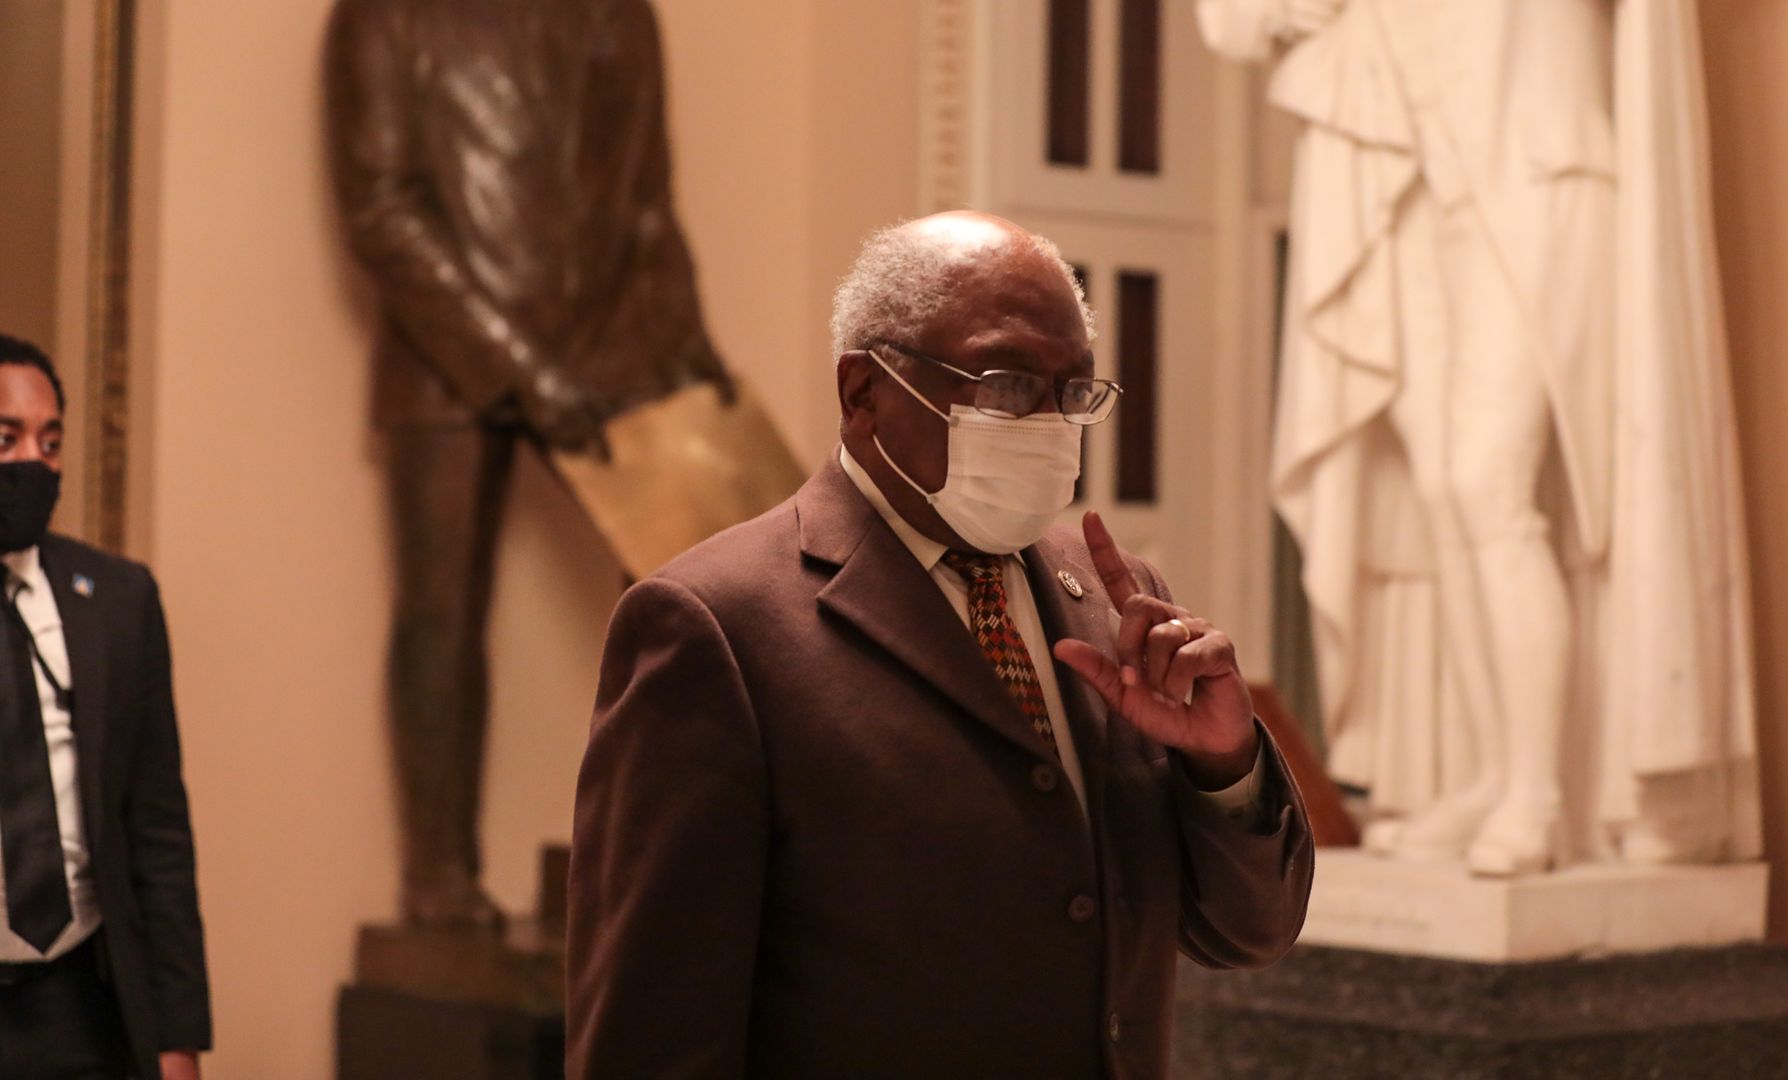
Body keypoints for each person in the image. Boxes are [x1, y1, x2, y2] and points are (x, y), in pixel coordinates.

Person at [567, 213, 1314, 1078]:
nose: (1046, 422)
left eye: (1073, 392)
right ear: (863, 391)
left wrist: (1224, 765)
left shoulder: (1117, 604)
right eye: (1003, 384)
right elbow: (649, 1040)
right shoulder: (716, 626)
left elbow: (1243, 931)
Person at [1198, 0, 1760, 873]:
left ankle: (1538, 791)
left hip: (1538, 166)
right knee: (1440, 497)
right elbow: (1235, 26)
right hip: (1409, 179)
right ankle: (1491, 768)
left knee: (1482, 484)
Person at [323, 0, 734, 925]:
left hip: (612, 344)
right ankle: (438, 879)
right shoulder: (384, 18)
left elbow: (646, 204)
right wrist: (517, 367)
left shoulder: (621, 16)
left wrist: (687, 340)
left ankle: (667, 850)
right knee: (440, 614)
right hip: (442, 360)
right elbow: (383, 212)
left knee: (701, 599)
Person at [0, 335, 209, 1080]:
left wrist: (178, 1041)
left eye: (50, 441)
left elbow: (157, 832)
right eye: (7, 437)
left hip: (80, 1006)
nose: (33, 460)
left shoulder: (119, 600)